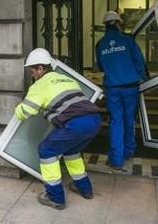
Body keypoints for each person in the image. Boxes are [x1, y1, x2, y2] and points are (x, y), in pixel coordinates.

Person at [14, 48, 101, 210]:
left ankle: (56, 197)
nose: (31, 74)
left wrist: (17, 109)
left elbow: (26, 111)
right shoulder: (66, 79)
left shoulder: (39, 85)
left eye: (32, 70)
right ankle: (85, 189)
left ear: (41, 69)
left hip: (76, 124)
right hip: (94, 120)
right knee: (71, 152)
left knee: (46, 150)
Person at [95, 11, 147, 170]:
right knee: (129, 120)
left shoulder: (100, 44)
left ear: (105, 26)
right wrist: (143, 77)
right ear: (118, 24)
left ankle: (116, 160)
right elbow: (139, 61)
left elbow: (101, 66)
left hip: (113, 88)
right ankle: (129, 151)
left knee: (116, 122)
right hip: (130, 87)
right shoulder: (127, 40)